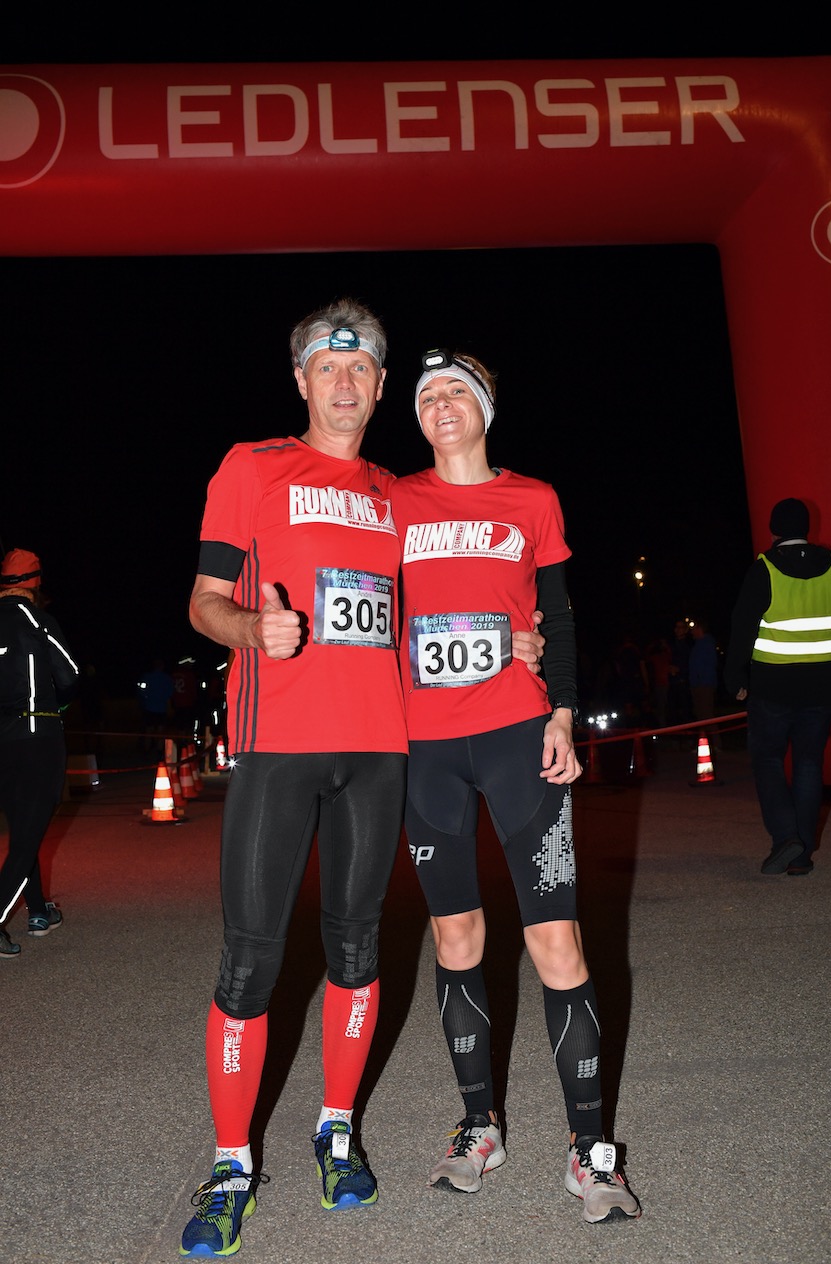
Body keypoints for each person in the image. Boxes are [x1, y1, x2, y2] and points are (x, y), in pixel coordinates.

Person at [180, 302, 546, 1255]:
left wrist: (515, 637)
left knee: (356, 950)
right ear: (301, 381)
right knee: (251, 958)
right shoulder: (251, 466)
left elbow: (460, 586)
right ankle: (231, 1165)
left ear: (382, 389)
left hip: (380, 748)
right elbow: (203, 599)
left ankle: (335, 1133)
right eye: (325, 366)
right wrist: (247, 630)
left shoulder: (399, 493)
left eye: (361, 369)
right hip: (278, 743)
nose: (344, 382)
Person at [392, 350, 641, 1225]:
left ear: (487, 406)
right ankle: (477, 1125)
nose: (442, 404)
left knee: (556, 944)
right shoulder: (395, 500)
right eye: (427, 395)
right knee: (454, 933)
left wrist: (564, 714)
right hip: (426, 748)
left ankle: (590, 1149)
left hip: (515, 737)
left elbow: (560, 615)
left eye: (457, 389)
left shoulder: (531, 499)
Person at [724, 497, 831, 875]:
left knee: (767, 759)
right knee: (810, 764)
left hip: (773, 685)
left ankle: (786, 836)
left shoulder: (764, 569)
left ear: (774, 528)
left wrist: (735, 678)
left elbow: (742, 628)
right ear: (806, 527)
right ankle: (801, 855)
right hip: (824, 684)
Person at [0, 548, 79, 957]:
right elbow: (70, 675)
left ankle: (37, 911)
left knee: (22, 831)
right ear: (35, 582)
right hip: (38, 735)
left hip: (3, 743)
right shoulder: (36, 620)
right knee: (29, 834)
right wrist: (56, 705)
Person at [688, 616, 721, 750]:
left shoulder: (707, 643)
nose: (691, 632)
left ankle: (716, 744)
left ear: (699, 629)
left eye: (694, 629)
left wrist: (701, 680)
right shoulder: (698, 644)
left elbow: (708, 665)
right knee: (701, 715)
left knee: (707, 714)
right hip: (698, 684)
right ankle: (704, 744)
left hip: (704, 684)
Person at [136, 657, 174, 754]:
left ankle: (147, 750)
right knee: (160, 731)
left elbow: (141, 691)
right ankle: (159, 751)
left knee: (149, 731)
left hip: (149, 708)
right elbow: (170, 693)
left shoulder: (147, 677)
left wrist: (145, 700)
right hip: (161, 709)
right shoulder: (166, 678)